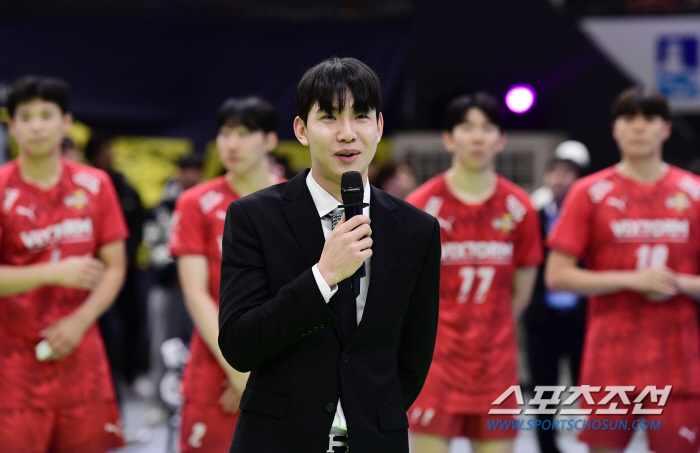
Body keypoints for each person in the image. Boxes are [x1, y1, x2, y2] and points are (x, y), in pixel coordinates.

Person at [217, 57, 441, 453]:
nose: (347, 134)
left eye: (360, 117)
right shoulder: (254, 217)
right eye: (329, 118)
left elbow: (414, 354)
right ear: (302, 130)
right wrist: (322, 277)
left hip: (375, 440)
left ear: (380, 126)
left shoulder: (417, 229)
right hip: (277, 440)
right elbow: (239, 344)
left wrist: (369, 416)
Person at [546, 86, 700, 453]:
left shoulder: (693, 192)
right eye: (629, 118)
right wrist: (632, 280)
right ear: (615, 129)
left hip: (678, 363)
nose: (639, 127)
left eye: (649, 119)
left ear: (666, 128)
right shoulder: (589, 193)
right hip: (610, 364)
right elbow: (557, 276)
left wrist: (677, 282)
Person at [406, 92, 542, 453]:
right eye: (466, 128)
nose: (478, 137)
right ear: (449, 138)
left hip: (495, 368)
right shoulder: (421, 207)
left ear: (501, 139)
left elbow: (522, 293)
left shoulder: (520, 208)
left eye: (487, 128)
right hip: (436, 368)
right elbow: (406, 293)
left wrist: (490, 329)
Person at [0, 76, 128, 452]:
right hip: (13, 365)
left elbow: (116, 267)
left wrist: (80, 320)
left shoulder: (96, 184)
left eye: (46, 115)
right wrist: (53, 272)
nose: (36, 125)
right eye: (26, 116)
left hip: (80, 354)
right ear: (12, 126)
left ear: (66, 122)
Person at [168, 96, 282, 453]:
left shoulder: (298, 201)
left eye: (244, 133)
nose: (231, 144)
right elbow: (196, 294)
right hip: (214, 365)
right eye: (225, 133)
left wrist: (258, 377)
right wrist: (238, 371)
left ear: (270, 140)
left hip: (281, 367)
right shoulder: (195, 203)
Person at [524, 156, 586, 453]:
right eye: (554, 173)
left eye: (567, 173)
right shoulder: (532, 217)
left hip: (581, 318)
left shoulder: (590, 217)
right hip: (542, 319)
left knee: (588, 388)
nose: (560, 179)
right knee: (542, 391)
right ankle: (547, 448)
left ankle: (594, 443)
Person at [85, 133, 149, 394]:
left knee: (132, 322)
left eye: (110, 148)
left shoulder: (126, 187)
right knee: (98, 324)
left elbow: (138, 225)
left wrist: (127, 257)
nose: (109, 154)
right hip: (90, 273)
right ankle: (103, 377)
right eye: (104, 149)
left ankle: (129, 377)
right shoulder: (85, 187)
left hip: (127, 271)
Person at [530, 140, 590, 210]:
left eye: (566, 171)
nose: (557, 176)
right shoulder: (539, 203)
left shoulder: (589, 207)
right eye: (553, 170)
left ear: (581, 177)